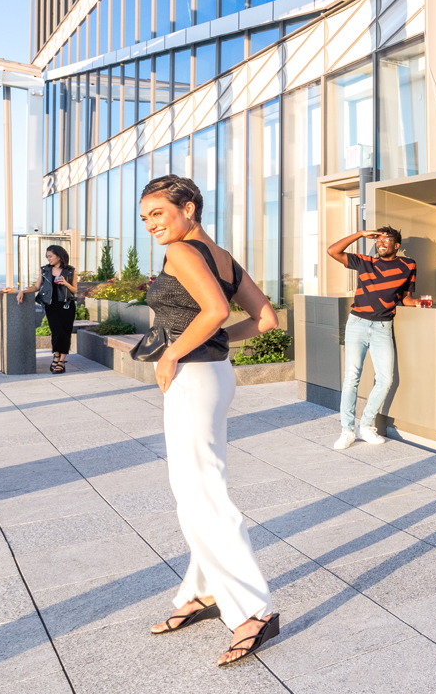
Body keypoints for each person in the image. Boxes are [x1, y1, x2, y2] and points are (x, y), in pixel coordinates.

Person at [140, 174, 281, 668]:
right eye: (146, 218)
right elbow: (266, 319)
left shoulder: (182, 251)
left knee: (202, 495)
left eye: (159, 213)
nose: (152, 225)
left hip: (194, 380)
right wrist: (213, 343)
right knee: (200, 486)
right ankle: (202, 591)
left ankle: (252, 610)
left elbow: (216, 309)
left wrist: (172, 354)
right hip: (215, 375)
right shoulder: (222, 256)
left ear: (189, 208)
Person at [326, 227, 417, 450]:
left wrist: (433, 304)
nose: (381, 243)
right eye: (378, 239)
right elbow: (332, 251)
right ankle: (347, 431)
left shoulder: (409, 265)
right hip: (356, 324)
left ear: (397, 246)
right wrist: (359, 234)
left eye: (387, 240)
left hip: (383, 327)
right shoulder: (365, 262)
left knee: (385, 379)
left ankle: (365, 426)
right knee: (352, 378)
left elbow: (406, 298)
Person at [18, 245, 78, 373]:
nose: (49, 259)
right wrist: (23, 291)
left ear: (59, 255)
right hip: (51, 305)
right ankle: (56, 356)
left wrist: (65, 283)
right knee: (56, 331)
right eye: (47, 257)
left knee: (65, 332)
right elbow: (36, 287)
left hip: (67, 305)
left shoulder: (70, 271)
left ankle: (61, 361)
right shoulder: (44, 270)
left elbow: (75, 290)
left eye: (50, 256)